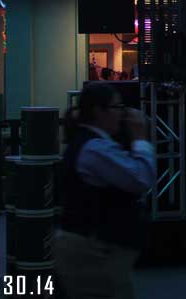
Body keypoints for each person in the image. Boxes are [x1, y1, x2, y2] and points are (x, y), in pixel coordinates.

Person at [57, 83, 156, 299]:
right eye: (116, 107)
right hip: (92, 251)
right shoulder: (95, 149)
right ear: (98, 111)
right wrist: (139, 138)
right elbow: (141, 177)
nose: (122, 114)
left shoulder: (93, 144)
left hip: (94, 249)